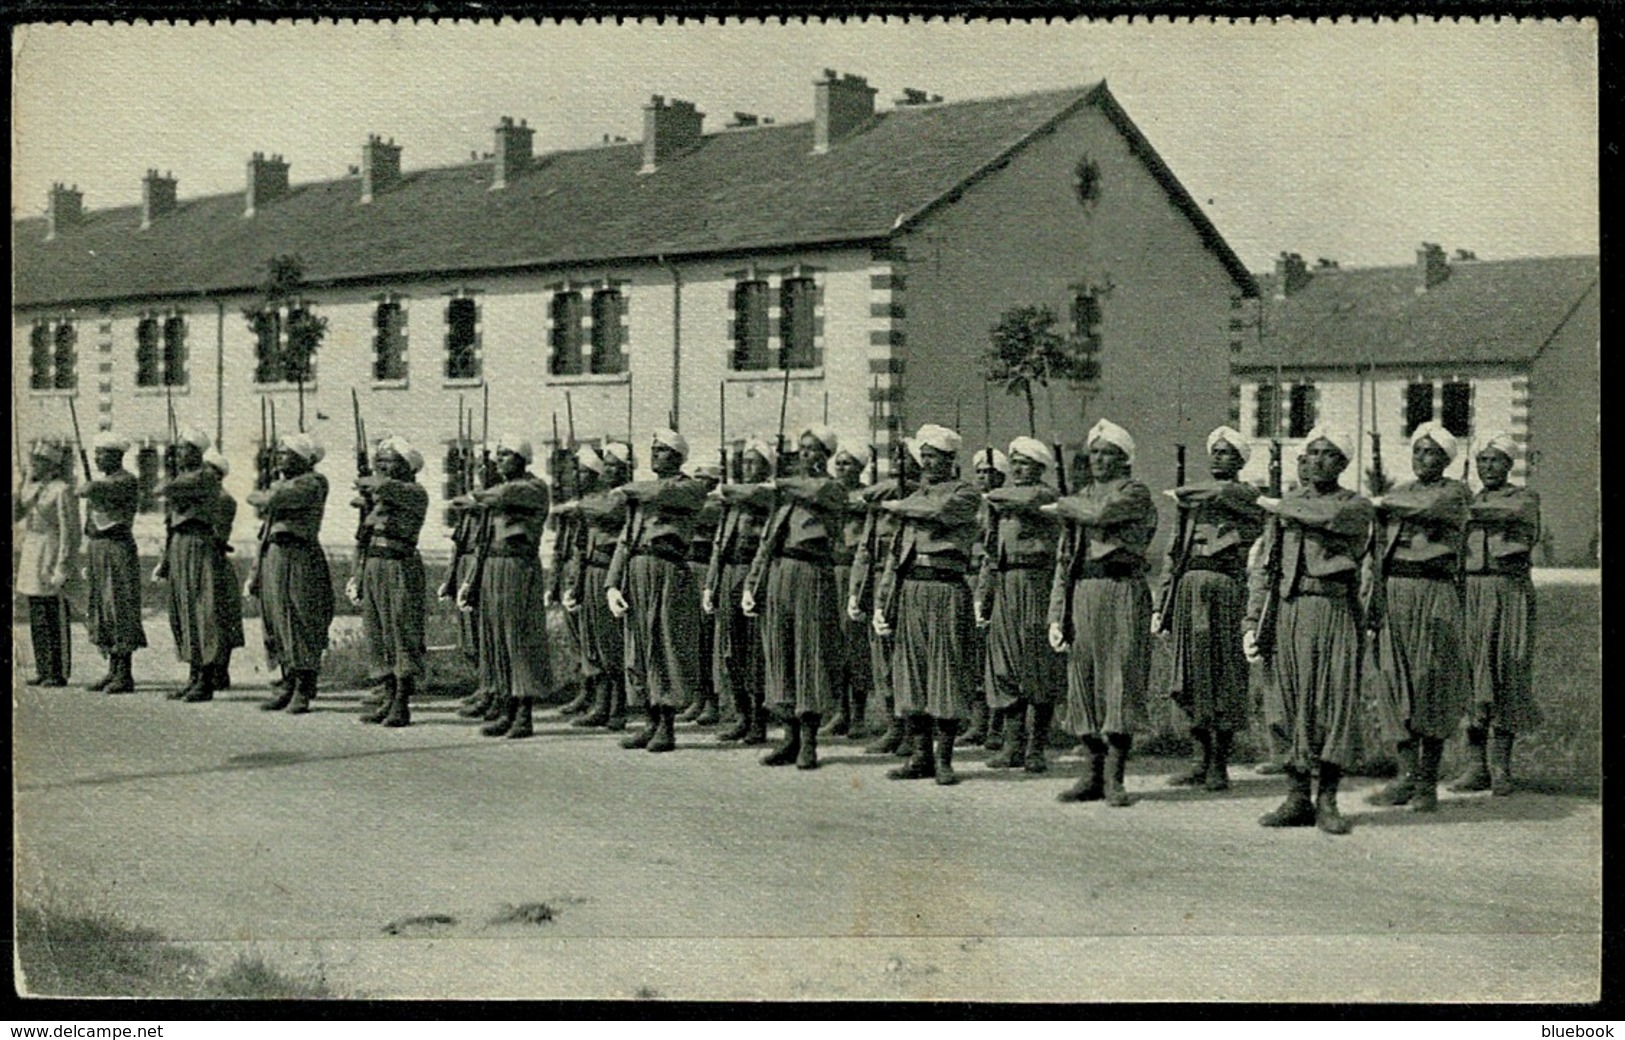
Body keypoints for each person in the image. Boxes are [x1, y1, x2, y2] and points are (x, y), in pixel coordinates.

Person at [1242, 427, 1374, 835]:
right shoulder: (1287, 505)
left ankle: (1328, 800)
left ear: (1343, 463)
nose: (1317, 460)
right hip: (1287, 609)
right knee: (1284, 702)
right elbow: (1266, 566)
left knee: (1331, 702)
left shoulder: (1354, 504)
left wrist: (1282, 508)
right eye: (1312, 452)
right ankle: (1297, 796)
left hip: (1332, 607)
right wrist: (1252, 619)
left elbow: (1332, 519)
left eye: (1328, 454)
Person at [1045, 420, 1158, 807]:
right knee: (1085, 680)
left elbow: (1101, 514)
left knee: (1119, 679)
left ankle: (1115, 777)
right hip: (1085, 590)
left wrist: (1064, 504)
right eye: (1093, 452)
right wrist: (1057, 613)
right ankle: (1091, 773)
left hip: (1121, 590)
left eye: (1107, 452)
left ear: (1124, 459)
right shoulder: (1081, 496)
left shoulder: (1135, 492)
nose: (1097, 459)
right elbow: (1066, 558)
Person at [1365, 421, 1471, 814]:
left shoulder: (1455, 493)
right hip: (1395, 592)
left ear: (1446, 459)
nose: (1423, 459)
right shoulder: (1397, 494)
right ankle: (1405, 778)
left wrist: (1383, 504)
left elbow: (1430, 509)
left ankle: (1427, 783)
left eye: (1432, 452)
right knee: (1394, 683)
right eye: (1417, 451)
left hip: (1434, 591)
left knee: (1431, 683)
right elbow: (1377, 550)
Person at [1153, 426, 1265, 791]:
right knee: (1191, 676)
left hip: (1227, 591)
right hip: (1189, 591)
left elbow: (1229, 495)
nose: (1219, 458)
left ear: (1240, 461)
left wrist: (1186, 494)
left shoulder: (1245, 495)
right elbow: (1174, 554)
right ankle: (1199, 760)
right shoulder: (1193, 505)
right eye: (1215, 452)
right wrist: (1163, 603)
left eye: (1227, 453)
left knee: (1224, 677)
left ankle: (1220, 764)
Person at [873, 424, 983, 785]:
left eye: (936, 458)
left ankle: (945, 758)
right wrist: (883, 600)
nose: (929, 465)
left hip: (946, 589)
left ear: (951, 460)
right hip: (913, 589)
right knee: (913, 674)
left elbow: (939, 511)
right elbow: (895, 556)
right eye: (925, 458)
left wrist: (899, 504)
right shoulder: (914, 497)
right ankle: (921, 756)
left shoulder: (965, 493)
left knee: (945, 672)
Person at [743, 424, 848, 770]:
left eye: (813, 449)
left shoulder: (830, 488)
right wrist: (753, 582)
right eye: (802, 449)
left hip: (811, 573)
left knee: (809, 653)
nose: (806, 455)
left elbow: (816, 491)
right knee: (780, 652)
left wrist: (779, 483)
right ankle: (789, 736)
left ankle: (810, 741)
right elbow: (768, 541)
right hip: (781, 572)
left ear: (826, 455)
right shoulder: (786, 497)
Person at [1451, 432, 1542, 796]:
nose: (1488, 467)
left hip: (1510, 592)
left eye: (1495, 460)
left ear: (1509, 464)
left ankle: (1502, 766)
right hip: (1472, 591)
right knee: (1474, 675)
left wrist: (1462, 509)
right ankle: (1476, 766)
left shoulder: (1524, 498)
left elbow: (1511, 515)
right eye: (1482, 461)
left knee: (1509, 670)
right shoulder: (1467, 501)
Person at [606, 429, 706, 754]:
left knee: (665, 644)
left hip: (667, 569)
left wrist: (626, 489)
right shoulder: (640, 498)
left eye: (662, 450)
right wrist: (612, 583)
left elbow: (663, 493)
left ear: (678, 457)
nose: (655, 455)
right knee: (639, 647)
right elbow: (625, 540)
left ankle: (667, 725)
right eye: (653, 449)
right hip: (636, 570)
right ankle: (649, 719)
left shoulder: (687, 488)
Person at [975, 437, 1064, 772]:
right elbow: (989, 555)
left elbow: (1029, 499)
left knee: (1037, 664)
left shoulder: (1044, 496)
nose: (1016, 468)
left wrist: (991, 497)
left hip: (1036, 583)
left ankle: (1036, 748)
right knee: (1005, 666)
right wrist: (984, 595)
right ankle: (1012, 745)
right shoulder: (1004, 504)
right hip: (1007, 584)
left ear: (1039, 468)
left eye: (1024, 463)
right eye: (1013, 462)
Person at [248, 432, 335, 714]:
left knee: (298, 618)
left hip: (299, 555)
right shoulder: (284, 483)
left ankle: (303, 686)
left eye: (287, 454)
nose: (279, 458)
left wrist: (266, 491)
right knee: (275, 619)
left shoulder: (312, 483)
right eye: (279, 453)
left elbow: (270, 500)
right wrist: (256, 570)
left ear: (302, 459)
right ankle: (287, 680)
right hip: (274, 554)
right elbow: (265, 521)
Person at [348, 436, 430, 728]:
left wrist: (368, 481)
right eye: (378, 460)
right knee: (377, 632)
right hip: (375, 564)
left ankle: (402, 702)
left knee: (401, 629)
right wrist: (357, 574)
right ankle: (386, 695)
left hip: (399, 565)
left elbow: (384, 487)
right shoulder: (380, 497)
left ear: (407, 466)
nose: (381, 465)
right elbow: (364, 537)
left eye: (389, 460)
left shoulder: (413, 492)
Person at [849, 442, 919, 757]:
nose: (899, 462)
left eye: (906, 457)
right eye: (897, 456)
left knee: (903, 659)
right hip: (878, 580)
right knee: (881, 660)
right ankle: (893, 725)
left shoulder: (917, 495)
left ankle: (910, 731)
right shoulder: (883, 499)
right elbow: (865, 550)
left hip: (905, 582)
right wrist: (855, 591)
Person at [705, 439, 774, 745]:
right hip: (728, 573)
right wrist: (710, 583)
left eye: (753, 462)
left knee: (754, 652)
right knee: (731, 649)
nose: (746, 467)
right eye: (743, 462)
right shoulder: (732, 500)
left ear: (767, 467)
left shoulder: (768, 494)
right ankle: (741, 715)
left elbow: (758, 497)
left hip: (752, 574)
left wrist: (728, 490)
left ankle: (759, 720)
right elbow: (720, 545)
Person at [152, 426, 228, 703]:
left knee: (200, 609)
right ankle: (193, 676)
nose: (179, 453)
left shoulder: (206, 476)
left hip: (198, 542)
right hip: (180, 543)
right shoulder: (186, 476)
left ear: (197, 452)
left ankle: (206, 679)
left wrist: (170, 473)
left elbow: (162, 488)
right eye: (178, 448)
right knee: (183, 610)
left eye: (185, 449)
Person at [562, 443, 630, 731]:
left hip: (610, 572)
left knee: (611, 644)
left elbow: (609, 512)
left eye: (615, 467)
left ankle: (618, 707)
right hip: (592, 570)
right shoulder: (600, 498)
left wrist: (577, 507)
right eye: (607, 466)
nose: (608, 471)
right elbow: (581, 545)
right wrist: (575, 583)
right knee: (594, 643)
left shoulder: (626, 496)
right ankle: (601, 704)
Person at [80, 432, 145, 693]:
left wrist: (91, 486)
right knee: (102, 607)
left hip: (117, 547)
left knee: (119, 605)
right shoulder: (105, 481)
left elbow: (94, 489)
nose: (97, 458)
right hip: (98, 547)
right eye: (95, 454)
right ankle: (112, 669)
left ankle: (125, 673)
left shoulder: (126, 480)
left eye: (102, 454)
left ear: (117, 456)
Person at [15, 441, 81, 687]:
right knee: (37, 611)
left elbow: (69, 530)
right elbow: (19, 510)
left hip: (52, 549)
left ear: (52, 466)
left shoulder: (62, 490)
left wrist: (62, 565)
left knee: (54, 610)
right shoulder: (32, 489)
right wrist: (25, 481)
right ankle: (44, 668)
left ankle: (58, 670)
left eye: (40, 462)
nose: (35, 466)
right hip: (33, 549)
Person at [962, 447, 1009, 748]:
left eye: (989, 472)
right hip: (966, 576)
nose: (983, 477)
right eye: (979, 472)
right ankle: (976, 723)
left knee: (995, 656)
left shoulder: (1003, 505)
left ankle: (997, 726)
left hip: (992, 577)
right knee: (973, 656)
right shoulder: (969, 503)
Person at [828, 446, 873, 739]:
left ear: (859, 468)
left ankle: (858, 714)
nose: (841, 469)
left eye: (847, 464)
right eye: (838, 464)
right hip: (830, 570)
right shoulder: (828, 493)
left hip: (855, 571)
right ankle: (839, 711)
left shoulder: (868, 495)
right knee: (833, 645)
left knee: (856, 645)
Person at [681, 461, 725, 726]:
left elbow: (696, 515)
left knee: (707, 639)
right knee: (691, 638)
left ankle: (712, 702)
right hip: (687, 568)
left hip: (705, 570)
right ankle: (698, 696)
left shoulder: (716, 505)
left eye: (704, 478)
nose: (698, 482)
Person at [201, 450, 246, 692]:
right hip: (203, 560)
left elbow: (218, 534)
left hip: (215, 561)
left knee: (218, 616)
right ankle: (210, 670)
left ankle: (220, 669)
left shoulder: (222, 499)